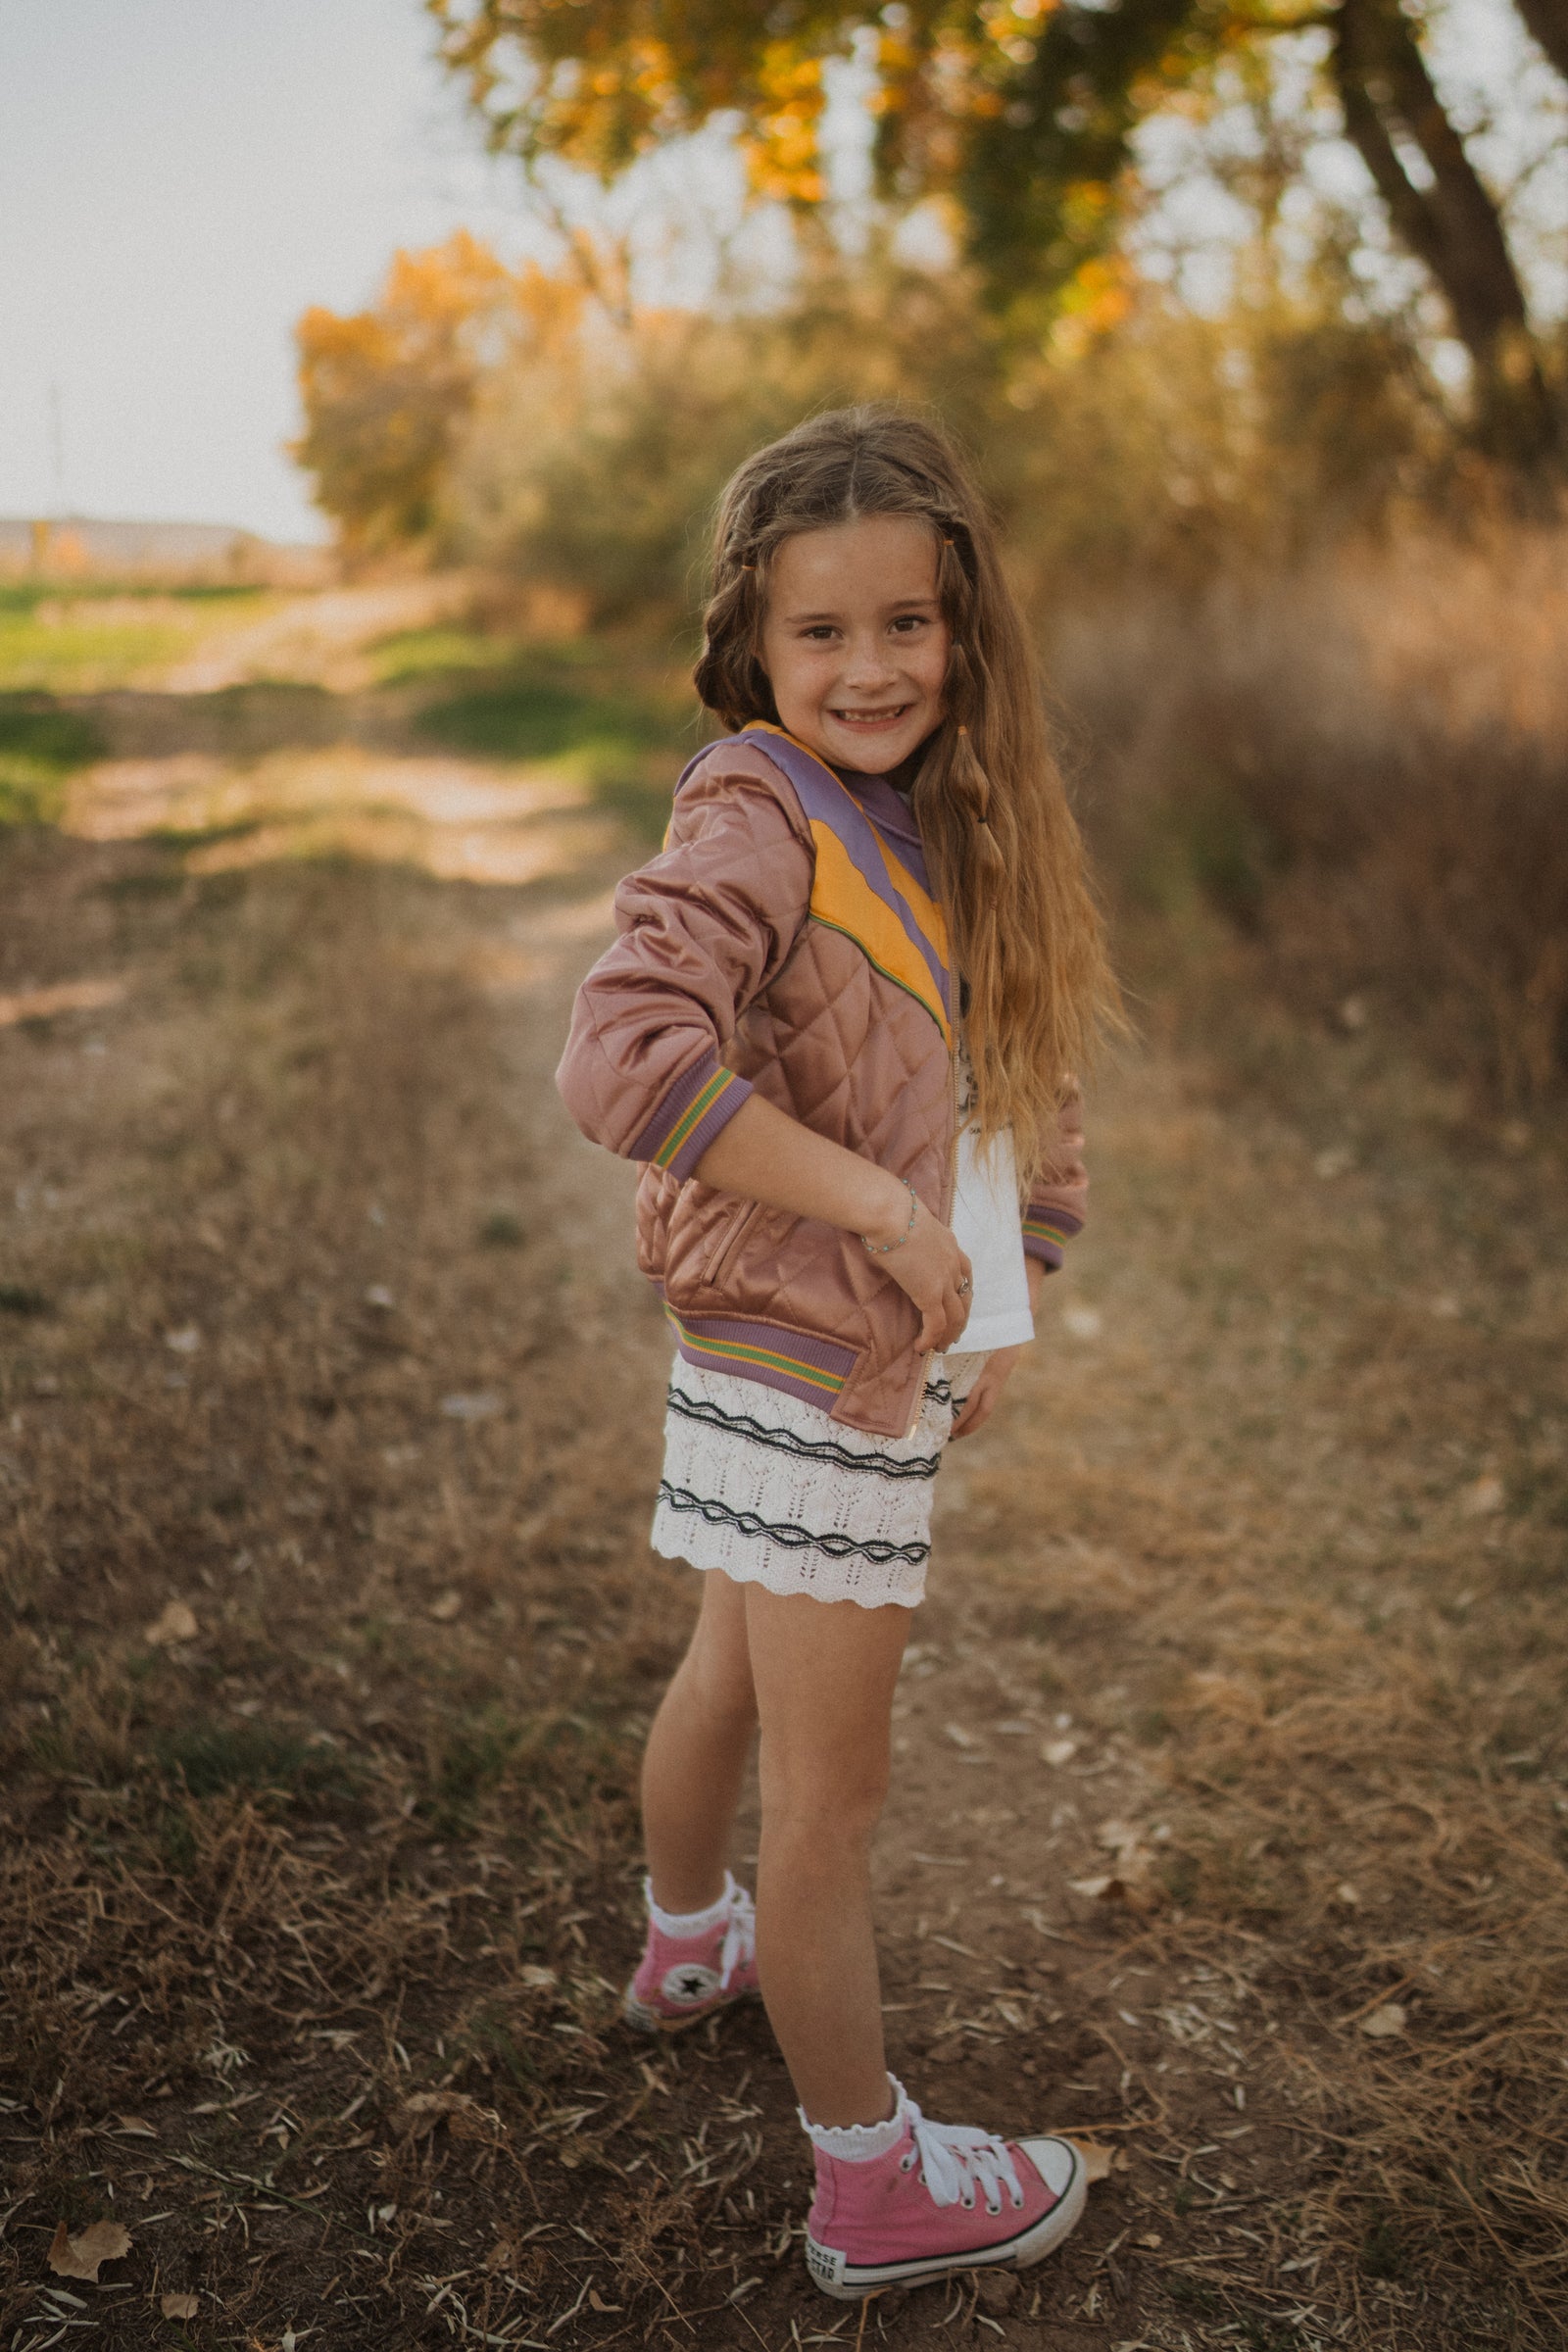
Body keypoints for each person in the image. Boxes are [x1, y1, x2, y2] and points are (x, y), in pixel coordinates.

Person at [556, 407, 1118, 2303]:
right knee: (839, 1804)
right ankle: (871, 2183)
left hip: (787, 1360)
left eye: (908, 623)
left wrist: (1011, 1267)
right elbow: (626, 1058)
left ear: (964, 628)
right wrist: (884, 1222)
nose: (870, 667)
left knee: (727, 1658)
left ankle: (682, 1938)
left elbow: (1000, 1087)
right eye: (823, 634)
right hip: (810, 1354)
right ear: (752, 644)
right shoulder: (755, 810)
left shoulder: (947, 815)